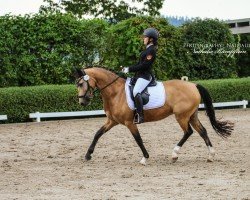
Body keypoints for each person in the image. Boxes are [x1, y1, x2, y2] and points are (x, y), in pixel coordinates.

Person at [121, 28, 159, 124]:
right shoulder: (146, 50)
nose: (143, 39)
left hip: (145, 76)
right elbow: (139, 64)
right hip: (139, 75)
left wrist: (129, 69)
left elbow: (144, 65)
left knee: (136, 91)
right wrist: (127, 68)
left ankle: (140, 115)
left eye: (145, 37)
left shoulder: (151, 50)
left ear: (150, 39)